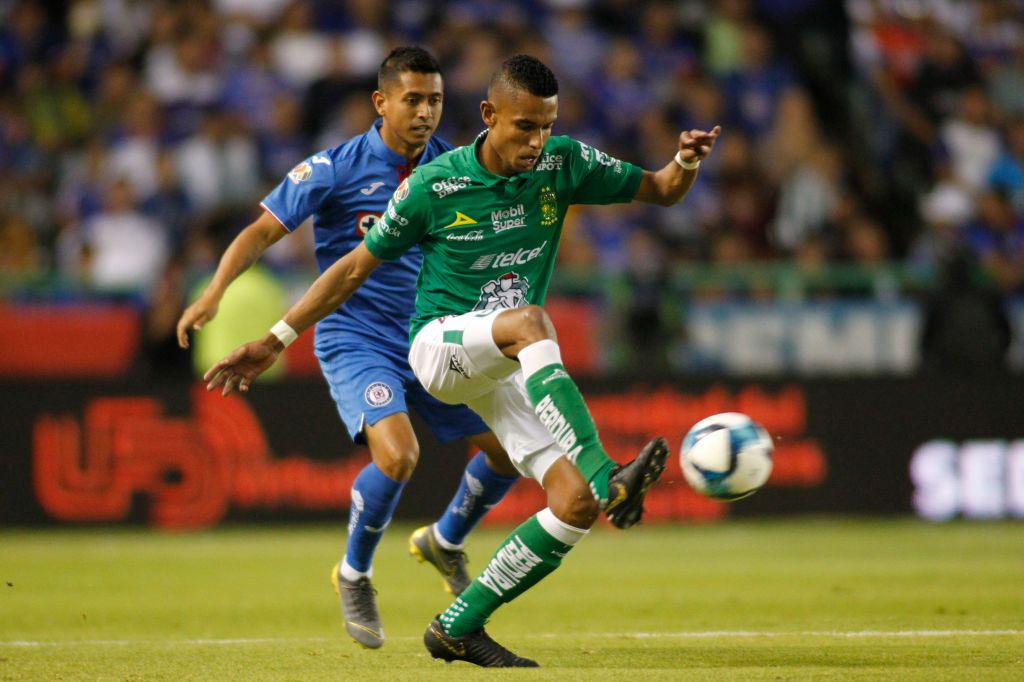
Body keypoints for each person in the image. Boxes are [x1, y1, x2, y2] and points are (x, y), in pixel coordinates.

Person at [204, 54, 720, 668]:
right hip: (437, 348)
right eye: (524, 126)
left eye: (547, 125)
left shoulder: (565, 163)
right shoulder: (433, 186)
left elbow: (661, 189)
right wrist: (277, 339)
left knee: (574, 503)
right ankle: (608, 470)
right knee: (526, 327)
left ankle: (458, 623)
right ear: (489, 115)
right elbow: (351, 270)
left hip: (498, 358)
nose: (537, 141)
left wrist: (686, 160)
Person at [177, 47, 523, 650]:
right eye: (411, 100)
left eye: (435, 100)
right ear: (380, 102)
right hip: (356, 333)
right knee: (398, 455)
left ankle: (444, 540)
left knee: (508, 453)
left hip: (432, 336)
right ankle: (355, 573)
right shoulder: (335, 168)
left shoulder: (455, 166)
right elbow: (260, 229)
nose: (424, 113)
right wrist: (213, 293)